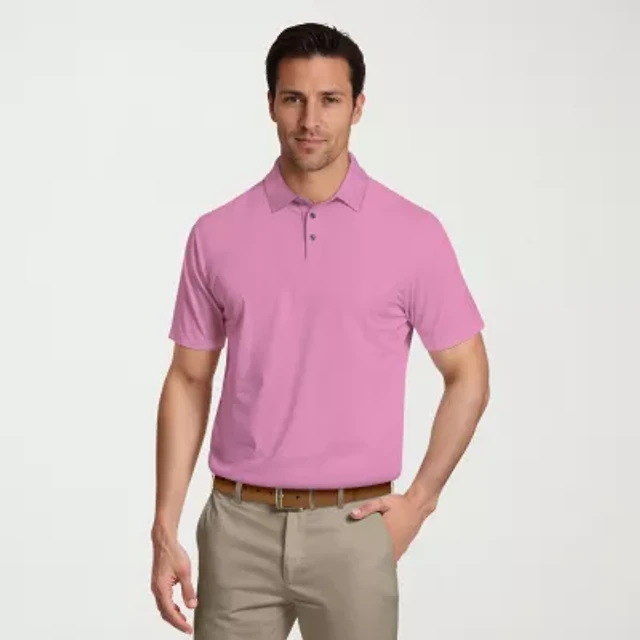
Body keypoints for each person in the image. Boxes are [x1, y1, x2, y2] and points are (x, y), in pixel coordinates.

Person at [151, 22, 490, 640]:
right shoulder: (216, 234)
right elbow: (188, 378)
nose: (310, 120)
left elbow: (467, 373)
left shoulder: (413, 234)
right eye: (293, 99)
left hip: (354, 527)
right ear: (270, 104)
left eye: (329, 99)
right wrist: (164, 526)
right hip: (237, 527)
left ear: (357, 107)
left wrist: (419, 501)